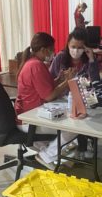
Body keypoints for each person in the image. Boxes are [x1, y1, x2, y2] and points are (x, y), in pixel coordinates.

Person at [14, 32, 77, 170]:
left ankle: (52, 153)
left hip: (27, 114)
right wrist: (67, 82)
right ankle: (47, 155)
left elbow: (44, 87)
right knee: (75, 126)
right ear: (43, 50)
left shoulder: (34, 63)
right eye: (52, 49)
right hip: (29, 120)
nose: (53, 52)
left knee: (68, 117)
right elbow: (49, 95)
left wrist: (59, 79)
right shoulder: (35, 66)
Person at [49, 28, 100, 159]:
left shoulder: (89, 59)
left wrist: (92, 59)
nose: (76, 50)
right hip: (63, 98)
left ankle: (84, 144)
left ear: (85, 47)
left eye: (79, 47)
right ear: (67, 45)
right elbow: (50, 80)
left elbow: (96, 82)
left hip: (85, 97)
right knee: (73, 119)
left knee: (93, 114)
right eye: (73, 46)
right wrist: (61, 80)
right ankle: (70, 146)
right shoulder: (60, 58)